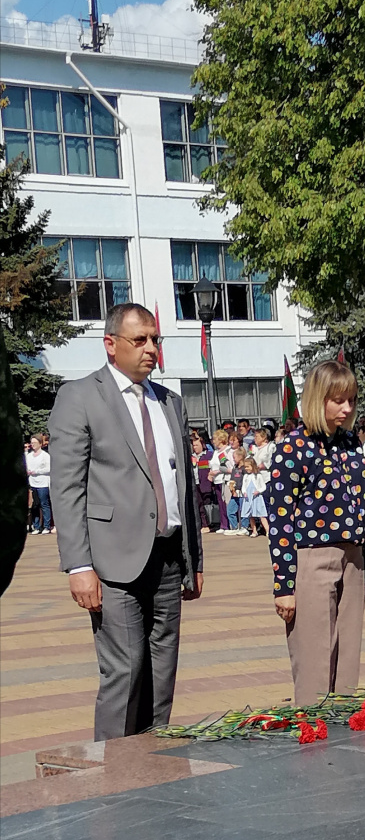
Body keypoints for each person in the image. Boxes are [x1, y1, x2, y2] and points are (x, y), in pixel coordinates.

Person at [48, 303, 203, 740]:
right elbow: (67, 487)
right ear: (110, 344)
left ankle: (153, 761)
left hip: (168, 558)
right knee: (125, 671)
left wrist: (194, 559)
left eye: (155, 339)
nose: (151, 348)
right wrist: (79, 566)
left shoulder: (170, 401)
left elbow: (184, 485)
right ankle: (113, 769)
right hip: (113, 562)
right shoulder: (80, 397)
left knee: (162, 671)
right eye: (140, 340)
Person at [266, 360, 365, 704]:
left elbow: (360, 506)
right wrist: (284, 585)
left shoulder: (351, 443)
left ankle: (343, 727)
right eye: (338, 400)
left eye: (351, 400)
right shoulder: (293, 447)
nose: (347, 408)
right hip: (312, 558)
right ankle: (312, 729)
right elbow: (280, 519)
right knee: (314, 663)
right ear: (317, 399)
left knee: (347, 663)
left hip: (352, 558)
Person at [25, 434, 52, 535]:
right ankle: (36, 526)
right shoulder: (29, 456)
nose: (32, 445)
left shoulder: (45, 456)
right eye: (31, 443)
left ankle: (46, 526)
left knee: (44, 504)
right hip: (32, 483)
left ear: (40, 444)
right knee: (34, 506)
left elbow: (49, 469)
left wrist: (36, 471)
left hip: (43, 484)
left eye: (35, 443)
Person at [190, 435, 218, 533]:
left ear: (202, 445)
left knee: (207, 505)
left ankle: (211, 524)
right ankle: (203, 524)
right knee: (199, 505)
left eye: (197, 445)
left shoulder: (209, 455)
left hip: (206, 484)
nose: (195, 447)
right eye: (193, 445)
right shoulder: (191, 457)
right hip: (195, 484)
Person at [209, 429, 233, 531]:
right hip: (217, 481)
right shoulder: (215, 452)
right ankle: (223, 525)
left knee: (226, 503)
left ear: (221, 439)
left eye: (215, 439)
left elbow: (227, 466)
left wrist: (217, 472)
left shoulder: (227, 451)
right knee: (220, 503)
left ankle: (230, 525)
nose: (213, 441)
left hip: (225, 480)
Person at [239, 457, 270, 538]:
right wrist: (244, 492)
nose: (246, 468)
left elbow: (263, 486)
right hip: (248, 498)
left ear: (253, 466)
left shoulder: (258, 476)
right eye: (245, 467)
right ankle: (254, 531)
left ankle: (268, 531)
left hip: (257, 497)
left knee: (261, 515)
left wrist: (258, 491)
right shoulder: (246, 476)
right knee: (250, 515)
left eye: (248, 466)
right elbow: (243, 486)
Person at [225, 447, 247, 534]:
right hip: (234, 492)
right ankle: (234, 528)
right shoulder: (235, 467)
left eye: (235, 457)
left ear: (240, 457)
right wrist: (231, 487)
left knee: (243, 510)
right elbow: (233, 479)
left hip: (242, 493)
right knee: (230, 511)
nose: (233, 459)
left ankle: (244, 527)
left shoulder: (245, 468)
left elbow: (246, 480)